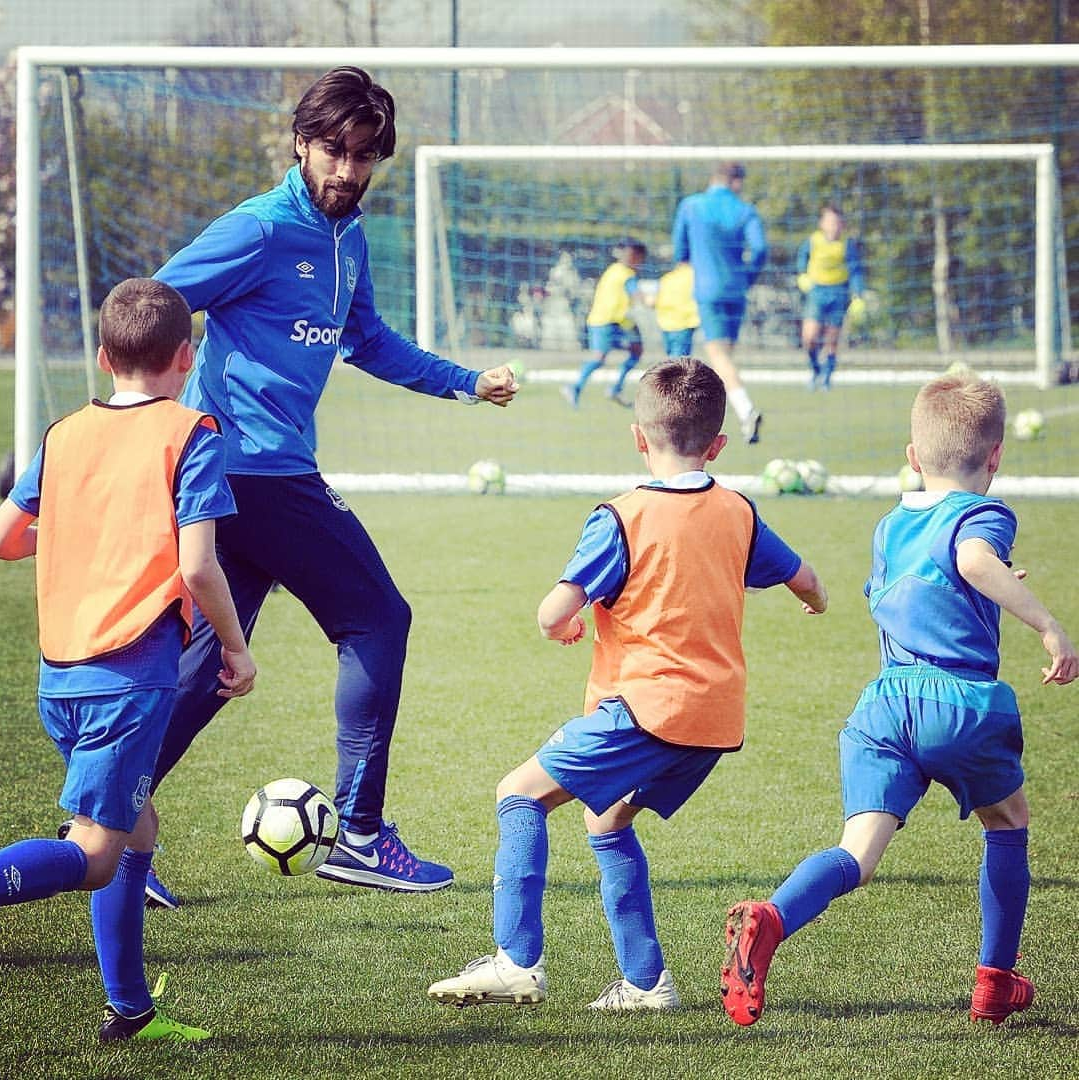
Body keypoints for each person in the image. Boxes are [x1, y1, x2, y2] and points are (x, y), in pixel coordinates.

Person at [149, 66, 518, 904]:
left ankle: (103, 828)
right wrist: (162, 412)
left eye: (364, 156)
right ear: (300, 144)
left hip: (251, 477)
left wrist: (466, 382)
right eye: (333, 151)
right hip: (250, 467)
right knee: (378, 616)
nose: (348, 170)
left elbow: (369, 342)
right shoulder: (260, 230)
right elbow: (152, 302)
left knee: (212, 661)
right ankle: (357, 831)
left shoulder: (346, 239)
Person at [427, 358, 827, 1011]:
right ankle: (646, 983)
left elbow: (553, 612)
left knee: (518, 795)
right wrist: (814, 599)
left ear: (639, 438)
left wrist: (562, 627)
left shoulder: (623, 517)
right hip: (717, 722)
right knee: (606, 820)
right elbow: (806, 578)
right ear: (717, 444)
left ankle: (515, 961)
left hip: (648, 709)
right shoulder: (738, 512)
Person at [721, 374, 1078, 1029]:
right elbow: (971, 560)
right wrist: (1048, 626)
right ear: (996, 456)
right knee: (1009, 822)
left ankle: (771, 918)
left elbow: (918, 589)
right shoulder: (987, 515)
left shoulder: (891, 524)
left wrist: (993, 588)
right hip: (958, 704)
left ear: (913, 456)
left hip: (884, 709)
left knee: (857, 855)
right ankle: (994, 983)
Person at [0, 278, 256, 1043]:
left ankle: (130, 1011)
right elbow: (201, 566)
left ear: (105, 356)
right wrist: (237, 651)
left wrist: (92, 539)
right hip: (129, 678)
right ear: (188, 356)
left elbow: (9, 537)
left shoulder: (64, 431)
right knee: (98, 855)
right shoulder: (190, 431)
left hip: (61, 676)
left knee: (138, 828)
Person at [671, 162, 767, 444]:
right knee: (724, 356)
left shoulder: (691, 205)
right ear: (735, 181)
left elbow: (680, 251)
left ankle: (745, 410)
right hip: (737, 290)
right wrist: (747, 276)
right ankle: (716, 413)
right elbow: (760, 248)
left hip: (708, 290)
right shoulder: (745, 210)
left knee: (719, 357)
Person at [562, 239, 647, 408]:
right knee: (599, 358)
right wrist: (651, 300)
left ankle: (615, 388)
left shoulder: (613, 269)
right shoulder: (626, 274)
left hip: (619, 322)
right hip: (606, 322)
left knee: (636, 350)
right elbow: (636, 294)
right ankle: (575, 387)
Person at [796, 205, 865, 390]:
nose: (833, 226)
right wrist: (802, 275)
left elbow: (856, 270)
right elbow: (801, 259)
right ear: (822, 223)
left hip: (838, 293)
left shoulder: (847, 244)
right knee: (809, 337)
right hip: (817, 292)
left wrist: (858, 295)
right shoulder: (813, 241)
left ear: (842, 224)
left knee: (831, 339)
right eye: (829, 222)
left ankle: (827, 377)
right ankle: (816, 370)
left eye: (837, 222)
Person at [652, 261, 700, 358]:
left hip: (665, 322)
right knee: (679, 358)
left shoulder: (666, 278)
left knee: (672, 354)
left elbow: (655, 301)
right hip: (685, 322)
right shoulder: (696, 277)